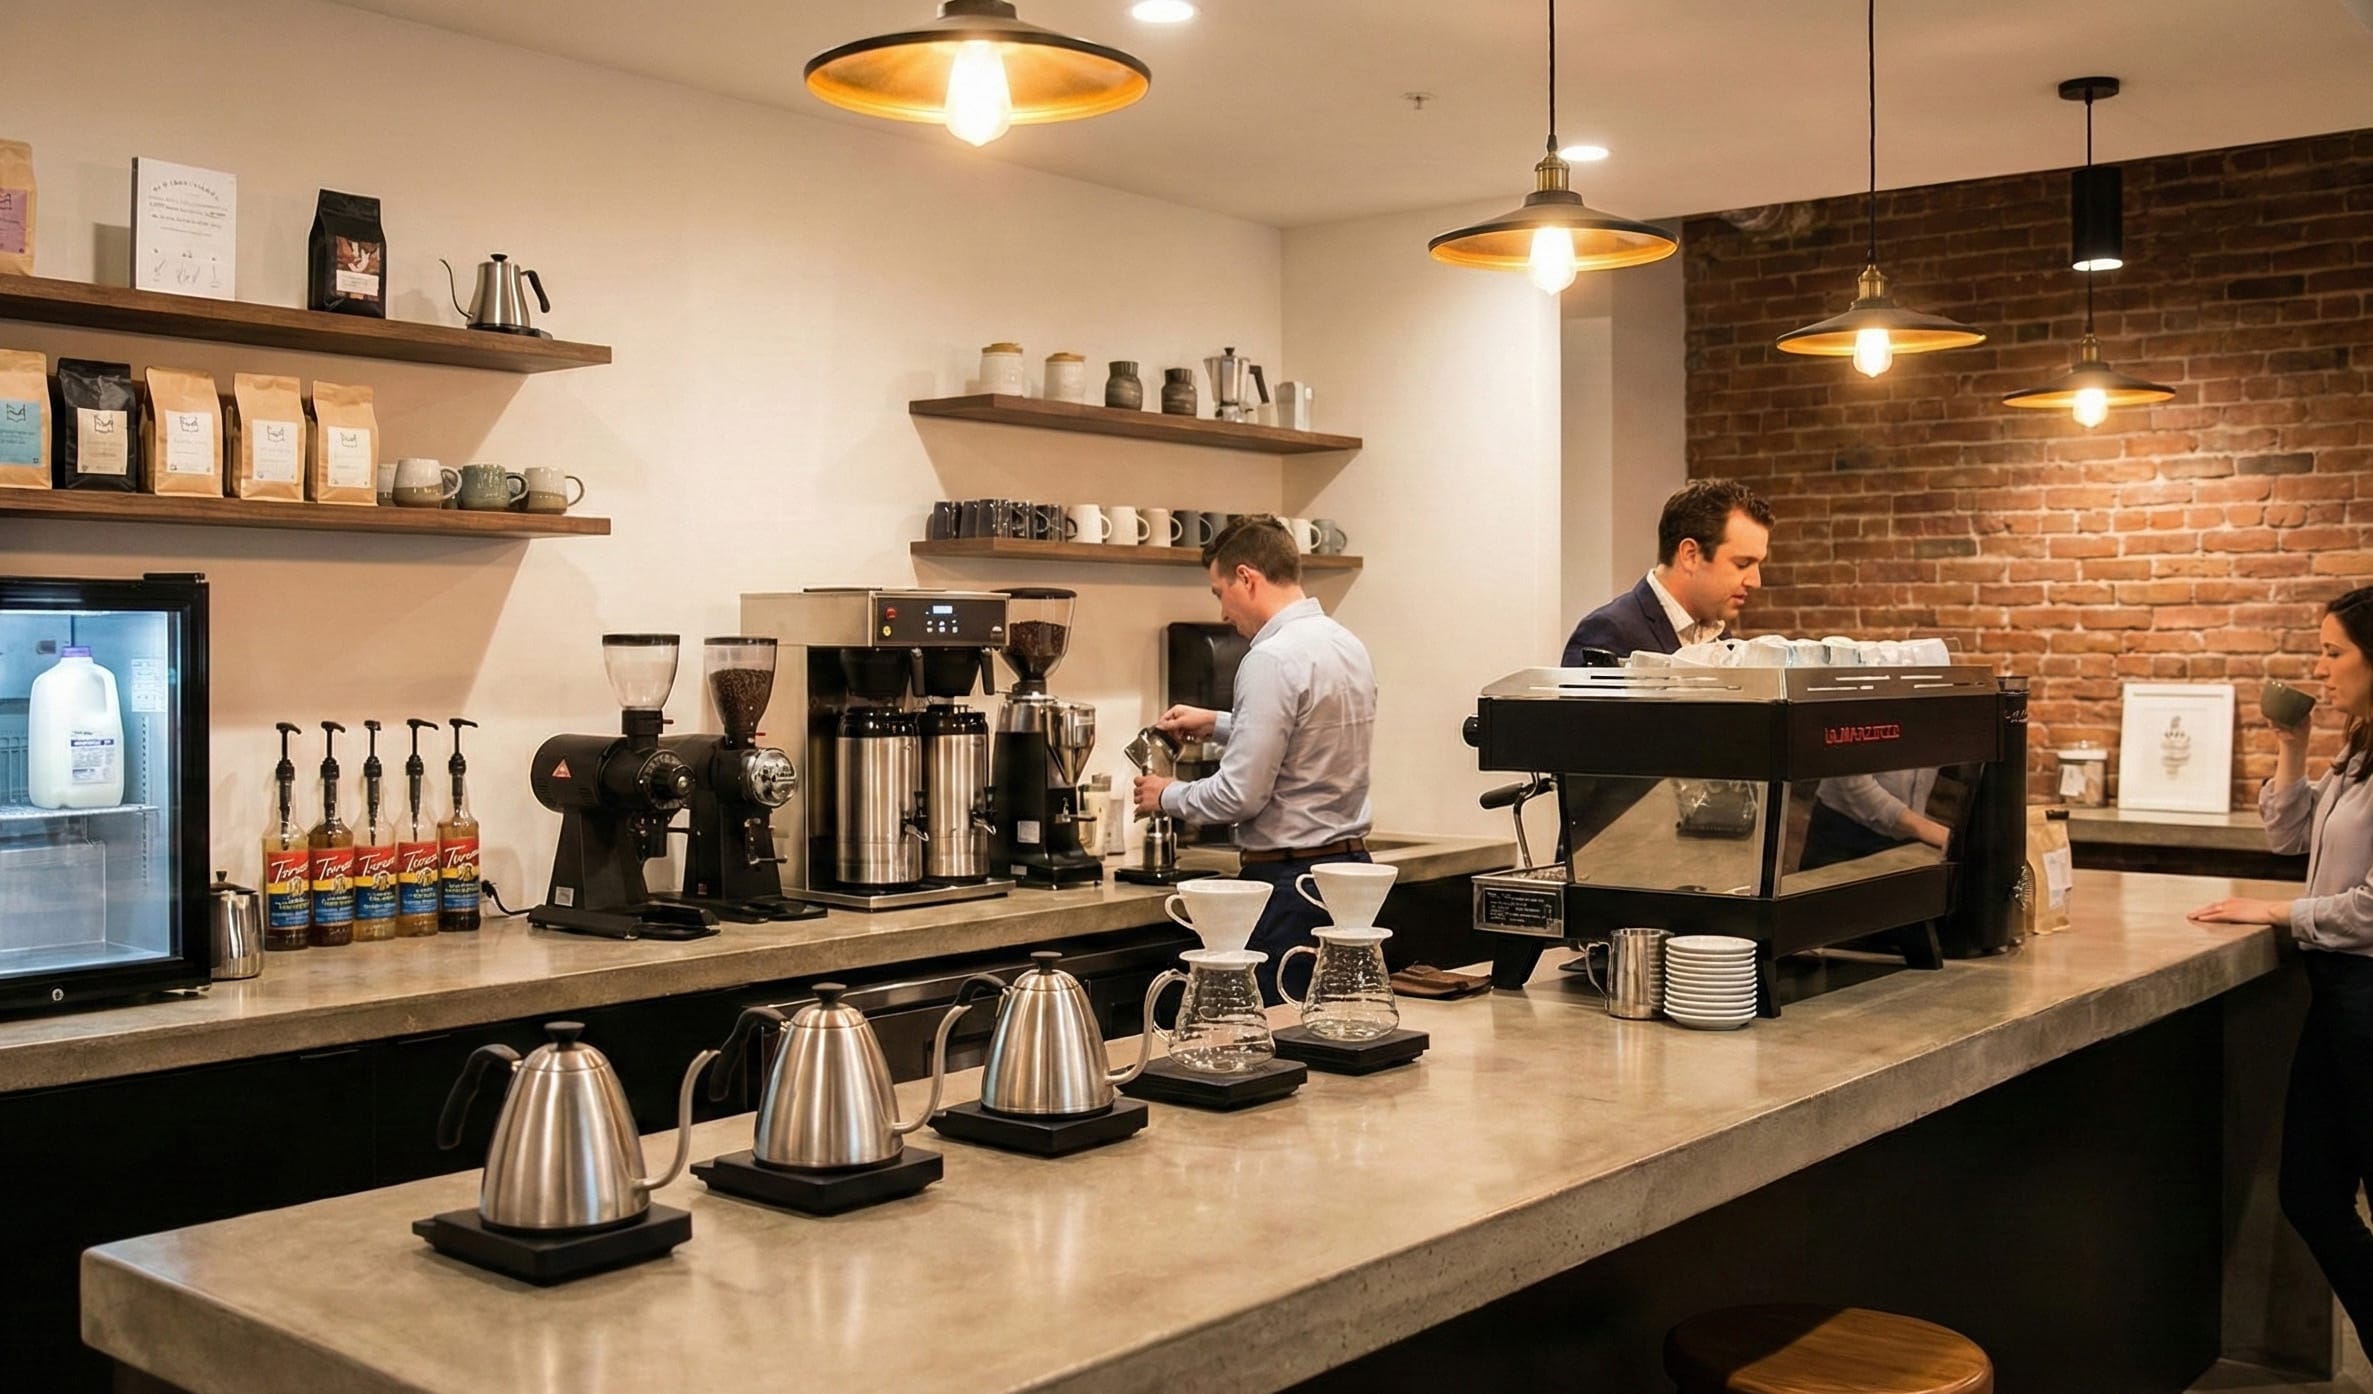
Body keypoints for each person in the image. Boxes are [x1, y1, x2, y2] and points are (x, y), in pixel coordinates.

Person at [2191, 586, 2373, 1350]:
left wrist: (2272, 914)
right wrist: (2291, 743)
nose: (2319, 666)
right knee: (2308, 1189)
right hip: (2336, 998)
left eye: (2332, 652)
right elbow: (2285, 835)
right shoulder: (2358, 748)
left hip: (2366, 997)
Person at [1133, 515, 1377, 1003]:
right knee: (1336, 1037)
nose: (1223, 612)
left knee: (1274, 1047)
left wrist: (1167, 795)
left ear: (1247, 577)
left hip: (1287, 887)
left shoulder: (1270, 658)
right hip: (1349, 878)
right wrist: (1220, 722)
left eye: (1219, 591)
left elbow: (1238, 796)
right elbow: (1310, 733)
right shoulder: (1346, 644)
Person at [1562, 478, 1772, 663]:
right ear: (1690, 555)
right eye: (1742, 564)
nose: (1755, 581)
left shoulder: (1721, 639)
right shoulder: (1607, 635)